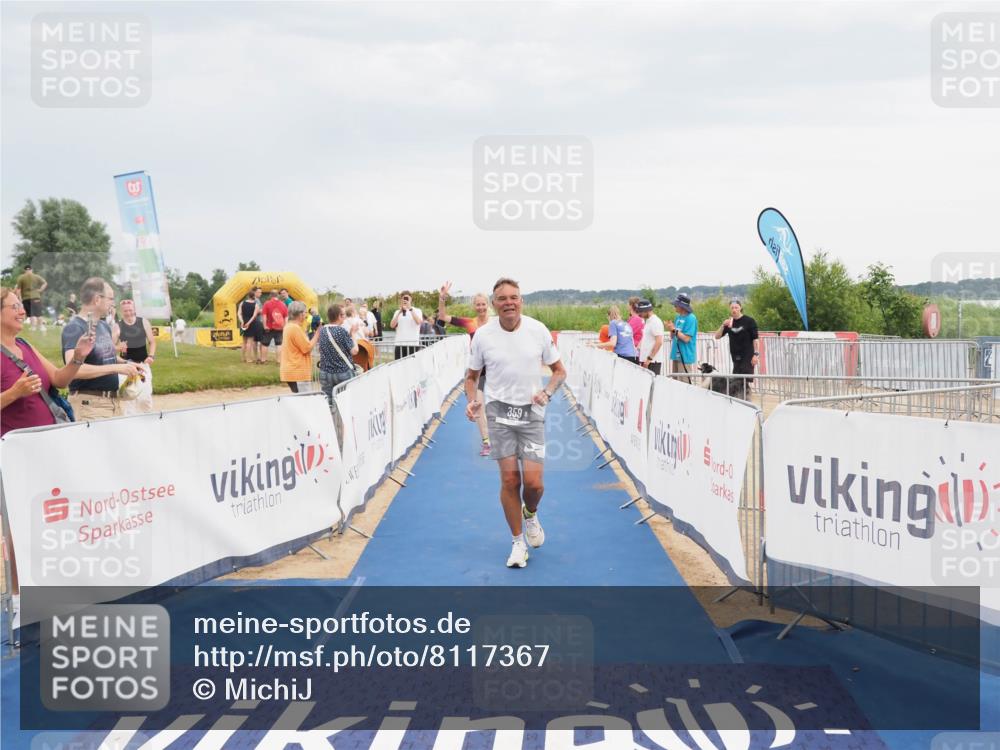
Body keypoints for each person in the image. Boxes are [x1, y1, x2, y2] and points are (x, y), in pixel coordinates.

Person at [466, 277, 566, 569]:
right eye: (502, 298)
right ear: (494, 303)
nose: (508, 302)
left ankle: (530, 513)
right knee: (510, 480)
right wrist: (473, 400)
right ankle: (517, 542)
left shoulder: (537, 330)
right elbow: (471, 378)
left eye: (514, 297)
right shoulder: (483, 335)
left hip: (531, 413)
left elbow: (559, 371)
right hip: (499, 413)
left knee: (534, 485)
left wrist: (547, 392)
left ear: (521, 301)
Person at [1, 286, 95, 436]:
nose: (23, 312)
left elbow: (59, 380)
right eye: (15, 307)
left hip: (50, 440)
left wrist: (78, 356)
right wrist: (14, 392)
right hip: (18, 450)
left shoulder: (24, 345)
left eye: (21, 306)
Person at [60, 278, 141, 421]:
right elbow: (74, 370)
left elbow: (104, 357)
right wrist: (115, 368)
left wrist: (126, 364)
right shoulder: (74, 328)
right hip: (90, 406)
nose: (113, 303)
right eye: (111, 299)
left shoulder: (103, 326)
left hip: (112, 404)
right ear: (97, 299)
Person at [438, 281, 493, 456]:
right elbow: (442, 316)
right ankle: (486, 442)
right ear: (474, 306)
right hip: (478, 372)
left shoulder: (496, 323)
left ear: (488, 305)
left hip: (497, 371)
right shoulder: (470, 323)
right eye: (478, 304)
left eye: (483, 304)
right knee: (478, 406)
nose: (481, 307)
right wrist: (442, 298)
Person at [114, 299, 157, 414]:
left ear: (135, 310)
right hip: (126, 367)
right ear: (121, 311)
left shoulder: (143, 322)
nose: (128, 313)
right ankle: (130, 423)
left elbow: (152, 342)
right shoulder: (118, 326)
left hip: (143, 365)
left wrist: (151, 356)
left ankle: (147, 420)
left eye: (130, 310)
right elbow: (110, 348)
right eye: (125, 311)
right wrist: (118, 346)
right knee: (130, 398)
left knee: (145, 398)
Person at [714, 299, 759, 398]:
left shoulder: (749, 321)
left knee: (744, 380)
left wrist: (756, 355)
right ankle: (741, 399)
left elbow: (755, 339)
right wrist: (723, 325)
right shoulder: (729, 322)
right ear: (730, 309)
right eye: (732, 308)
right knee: (737, 381)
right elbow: (716, 336)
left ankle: (746, 399)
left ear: (740, 308)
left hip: (747, 355)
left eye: (736, 307)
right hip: (735, 356)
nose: (734, 310)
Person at [317, 303, 359, 408]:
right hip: (342, 371)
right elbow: (354, 351)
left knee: (329, 404)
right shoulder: (341, 331)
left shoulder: (322, 330)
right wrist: (353, 334)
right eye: (344, 315)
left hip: (325, 372)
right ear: (339, 316)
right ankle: (343, 424)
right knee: (346, 404)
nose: (345, 317)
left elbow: (320, 349)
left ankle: (331, 423)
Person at [280, 301, 322, 393]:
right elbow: (306, 348)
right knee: (304, 401)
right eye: (305, 313)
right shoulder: (295, 328)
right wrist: (318, 334)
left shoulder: (288, 326)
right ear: (300, 314)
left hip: (291, 370)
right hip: (298, 372)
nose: (306, 315)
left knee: (299, 399)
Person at [666, 292, 698, 380]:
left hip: (685, 356)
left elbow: (687, 339)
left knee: (684, 384)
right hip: (675, 355)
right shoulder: (678, 317)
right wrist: (671, 329)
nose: (674, 307)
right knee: (675, 383)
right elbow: (673, 337)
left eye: (676, 305)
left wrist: (674, 330)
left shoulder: (691, 318)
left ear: (682, 306)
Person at [390, 291, 423, 359]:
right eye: (403, 298)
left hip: (413, 344)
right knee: (398, 366)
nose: (405, 300)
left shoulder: (417, 310)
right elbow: (392, 325)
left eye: (407, 298)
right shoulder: (397, 312)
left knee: (412, 366)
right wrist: (399, 312)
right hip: (399, 344)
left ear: (410, 299)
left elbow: (418, 322)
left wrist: (410, 308)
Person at [636, 299, 664, 374]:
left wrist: (649, 358)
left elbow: (659, 342)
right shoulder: (648, 321)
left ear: (647, 311)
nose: (639, 314)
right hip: (646, 360)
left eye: (641, 312)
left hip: (652, 361)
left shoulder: (655, 322)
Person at [15, 265, 48, 332]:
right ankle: (41, 327)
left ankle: (33, 327)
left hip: (26, 298)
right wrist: (40, 290)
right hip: (36, 297)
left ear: (25, 270)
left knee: (31, 314)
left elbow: (18, 289)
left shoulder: (21, 278)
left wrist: (19, 299)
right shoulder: (36, 276)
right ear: (31, 270)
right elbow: (45, 283)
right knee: (38, 313)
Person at [260, 290, 287, 363]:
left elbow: (264, 316)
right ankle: (279, 361)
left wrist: (265, 325)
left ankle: (263, 360)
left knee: (265, 344)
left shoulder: (267, 303)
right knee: (279, 344)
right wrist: (285, 327)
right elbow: (285, 317)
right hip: (280, 327)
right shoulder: (283, 304)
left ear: (270, 295)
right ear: (277, 295)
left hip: (269, 327)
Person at [238, 289, 261, 363]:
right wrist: (248, 323)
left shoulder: (242, 303)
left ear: (248, 296)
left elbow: (239, 313)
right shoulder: (256, 305)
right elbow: (254, 316)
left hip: (243, 322)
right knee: (249, 342)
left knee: (244, 341)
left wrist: (242, 321)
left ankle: (242, 358)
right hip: (251, 324)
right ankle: (248, 359)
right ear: (254, 296)